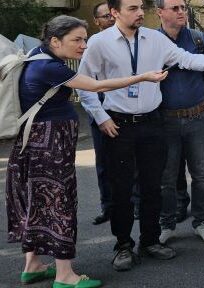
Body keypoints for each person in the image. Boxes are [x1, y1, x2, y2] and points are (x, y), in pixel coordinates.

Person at [77, 0, 204, 272]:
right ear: (114, 12)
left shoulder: (154, 39)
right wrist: (100, 117)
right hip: (119, 124)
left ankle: (150, 241)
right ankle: (123, 246)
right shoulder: (99, 43)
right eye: (132, 8)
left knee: (153, 186)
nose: (139, 13)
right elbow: (84, 84)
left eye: (140, 7)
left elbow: (188, 59)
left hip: (151, 122)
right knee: (123, 189)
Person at [7, 15, 167, 288]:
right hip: (50, 147)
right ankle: (65, 276)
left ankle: (32, 265)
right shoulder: (50, 67)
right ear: (55, 40)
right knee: (58, 204)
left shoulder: (37, 56)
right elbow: (96, 85)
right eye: (78, 40)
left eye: (85, 39)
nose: (84, 45)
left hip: (37, 144)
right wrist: (142, 77)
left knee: (38, 202)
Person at [155, 0, 204, 245]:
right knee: (167, 178)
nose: (181, 12)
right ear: (160, 12)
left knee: (201, 174)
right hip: (166, 120)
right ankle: (167, 224)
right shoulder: (152, 41)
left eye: (183, 7)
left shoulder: (196, 37)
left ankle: (202, 221)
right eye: (174, 8)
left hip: (198, 117)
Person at [87, 2, 115, 225]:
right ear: (96, 21)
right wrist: (99, 114)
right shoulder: (92, 45)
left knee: (133, 161)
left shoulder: (128, 42)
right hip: (100, 108)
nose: (110, 19)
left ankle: (135, 203)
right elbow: (85, 83)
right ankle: (108, 207)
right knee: (104, 162)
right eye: (105, 16)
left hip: (125, 108)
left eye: (112, 15)